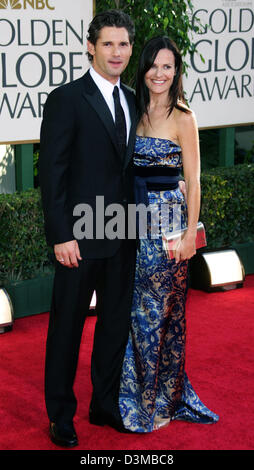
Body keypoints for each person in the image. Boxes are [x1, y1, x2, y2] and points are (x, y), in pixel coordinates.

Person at [39, 10, 137, 447]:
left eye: (124, 44)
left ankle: (104, 404)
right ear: (90, 47)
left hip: (124, 235)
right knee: (67, 330)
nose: (117, 52)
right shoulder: (67, 98)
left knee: (115, 326)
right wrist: (61, 234)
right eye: (109, 44)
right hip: (78, 238)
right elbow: (52, 173)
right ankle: (61, 414)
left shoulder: (133, 98)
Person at [118, 36, 219, 432]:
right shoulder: (133, 109)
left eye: (168, 67)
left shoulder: (183, 117)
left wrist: (192, 233)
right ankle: (133, 392)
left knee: (163, 314)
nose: (160, 73)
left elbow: (193, 181)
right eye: (154, 65)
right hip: (129, 224)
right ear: (143, 68)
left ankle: (160, 399)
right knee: (134, 313)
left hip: (169, 229)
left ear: (176, 72)